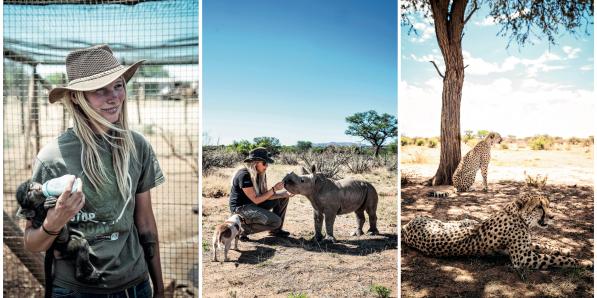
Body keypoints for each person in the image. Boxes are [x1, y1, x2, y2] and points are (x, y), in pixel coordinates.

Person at [21, 45, 165, 297]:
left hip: (136, 285)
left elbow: (145, 223)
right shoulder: (51, 158)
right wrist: (55, 222)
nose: (113, 97)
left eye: (118, 85)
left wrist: (160, 288)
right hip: (76, 289)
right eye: (100, 90)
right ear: (77, 97)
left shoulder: (137, 146)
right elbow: (32, 243)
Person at [229, 147, 294, 240]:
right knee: (276, 222)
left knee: (283, 198)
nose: (266, 166)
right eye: (264, 163)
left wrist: (283, 194)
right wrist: (274, 189)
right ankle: (242, 230)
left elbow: (264, 196)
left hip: (253, 205)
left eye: (267, 164)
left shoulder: (260, 173)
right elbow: (256, 199)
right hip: (241, 209)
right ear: (255, 163)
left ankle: (276, 230)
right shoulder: (244, 175)